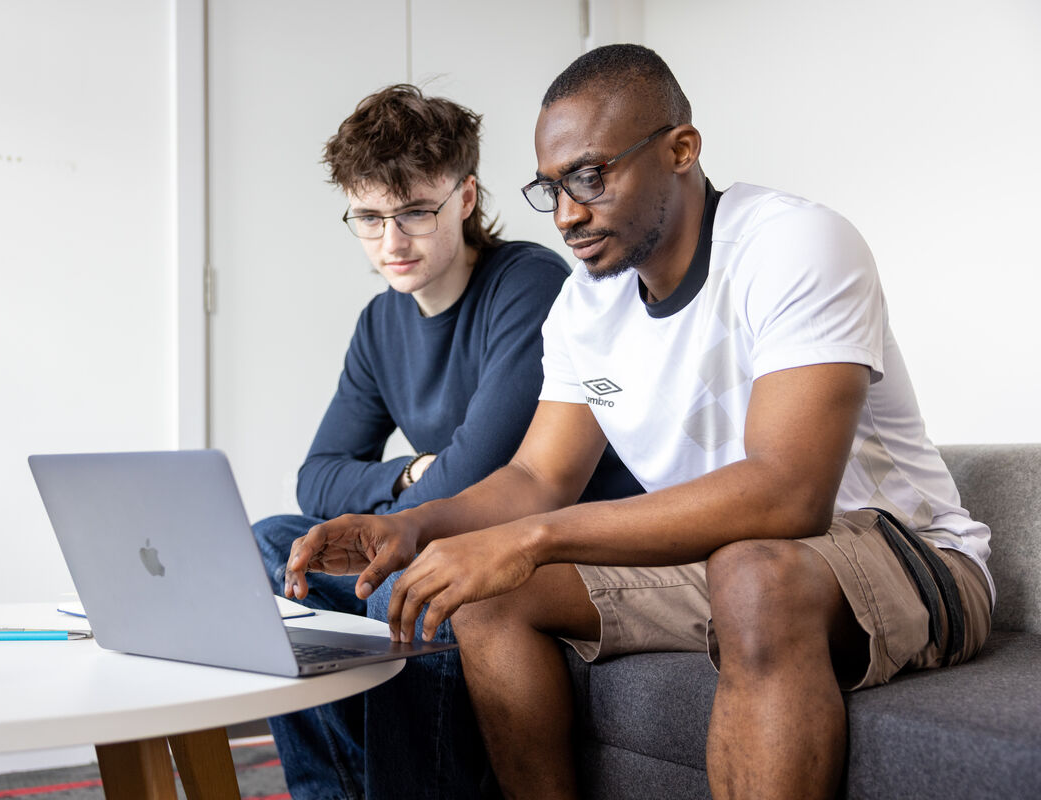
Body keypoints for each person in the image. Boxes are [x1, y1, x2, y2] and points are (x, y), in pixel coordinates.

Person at [286, 45, 994, 800]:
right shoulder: (588, 303)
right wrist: (414, 526)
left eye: (590, 177)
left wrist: (529, 540)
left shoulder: (793, 244)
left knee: (753, 572)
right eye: (549, 188)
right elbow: (538, 476)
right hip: (720, 560)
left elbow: (789, 496)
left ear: (681, 150)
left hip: (903, 551)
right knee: (487, 596)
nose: (566, 214)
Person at [253, 84, 639, 800]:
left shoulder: (527, 283)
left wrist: (401, 505)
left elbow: (483, 471)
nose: (390, 243)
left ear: (465, 199)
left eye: (415, 213)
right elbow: (316, 476)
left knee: (405, 577)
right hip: (436, 518)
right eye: (368, 219)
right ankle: (330, 793)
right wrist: (404, 477)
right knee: (269, 544)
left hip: (540, 535)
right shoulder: (380, 323)